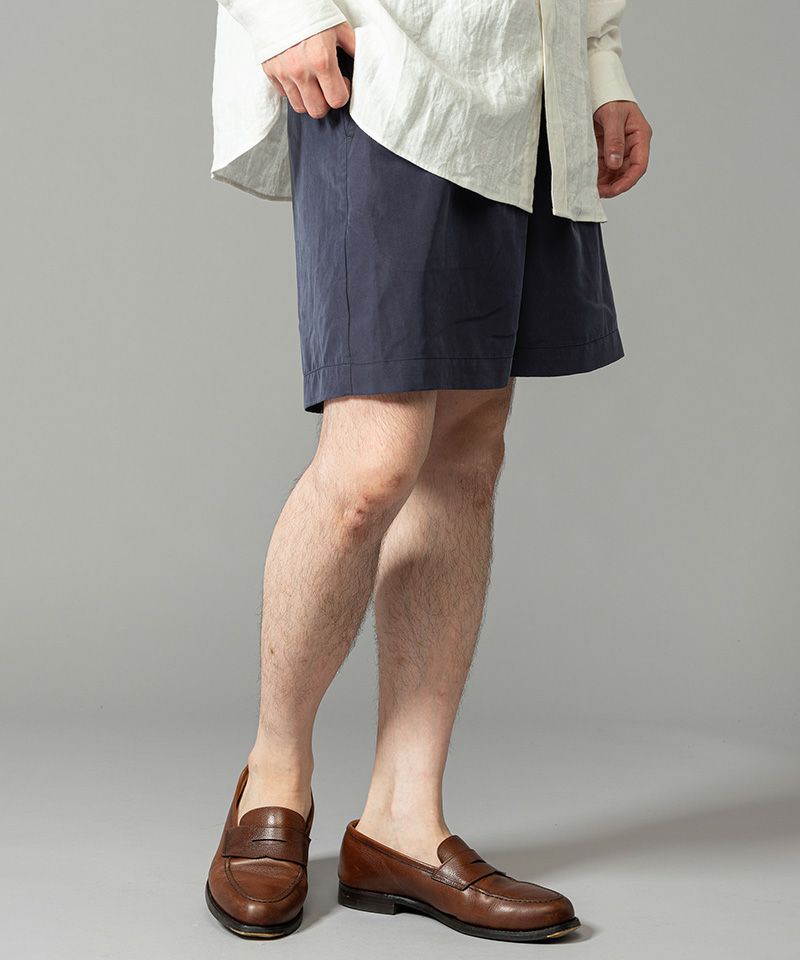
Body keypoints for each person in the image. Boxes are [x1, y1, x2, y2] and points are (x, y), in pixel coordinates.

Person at [205, 0, 652, 942]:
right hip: (381, 56)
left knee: (467, 448)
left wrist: (599, 60)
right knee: (373, 464)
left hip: (528, 68)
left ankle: (402, 819)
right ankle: (274, 774)